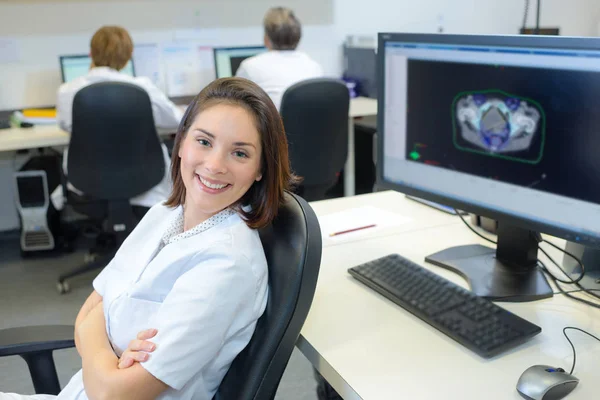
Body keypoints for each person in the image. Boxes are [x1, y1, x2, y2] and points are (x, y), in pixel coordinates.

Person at [0, 77, 299, 400]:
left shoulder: (228, 265)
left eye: (239, 153)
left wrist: (93, 334)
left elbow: (112, 393)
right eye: (204, 141)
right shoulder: (165, 213)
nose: (214, 165)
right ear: (181, 142)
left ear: (260, 169)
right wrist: (103, 348)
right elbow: (89, 310)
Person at [51, 25, 183, 211]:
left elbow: (65, 125)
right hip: (143, 179)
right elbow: (177, 121)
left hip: (88, 179)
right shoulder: (143, 88)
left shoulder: (67, 91)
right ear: (128, 56)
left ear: (91, 53)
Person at [236, 7, 324, 110]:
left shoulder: (249, 66)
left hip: (275, 126)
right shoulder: (315, 67)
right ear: (298, 37)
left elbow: (235, 105)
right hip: (312, 126)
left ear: (266, 39)